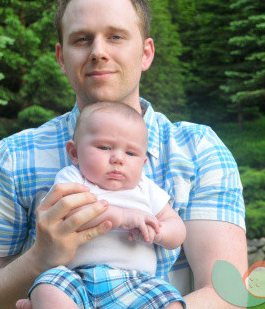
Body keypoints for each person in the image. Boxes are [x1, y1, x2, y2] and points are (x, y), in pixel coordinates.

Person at [0, 0, 247, 308]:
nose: (98, 52)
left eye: (116, 37)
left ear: (146, 53)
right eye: (81, 39)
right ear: (62, 58)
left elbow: (227, 292)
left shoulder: (199, 150)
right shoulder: (13, 157)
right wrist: (38, 260)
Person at [30, 101, 186, 309]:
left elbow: (177, 229)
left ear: (143, 163)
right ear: (74, 153)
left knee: (170, 300)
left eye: (131, 153)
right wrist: (123, 217)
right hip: (76, 277)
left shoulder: (145, 187)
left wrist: (158, 231)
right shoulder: (73, 178)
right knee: (46, 288)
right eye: (104, 147)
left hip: (137, 282)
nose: (118, 159)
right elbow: (70, 213)